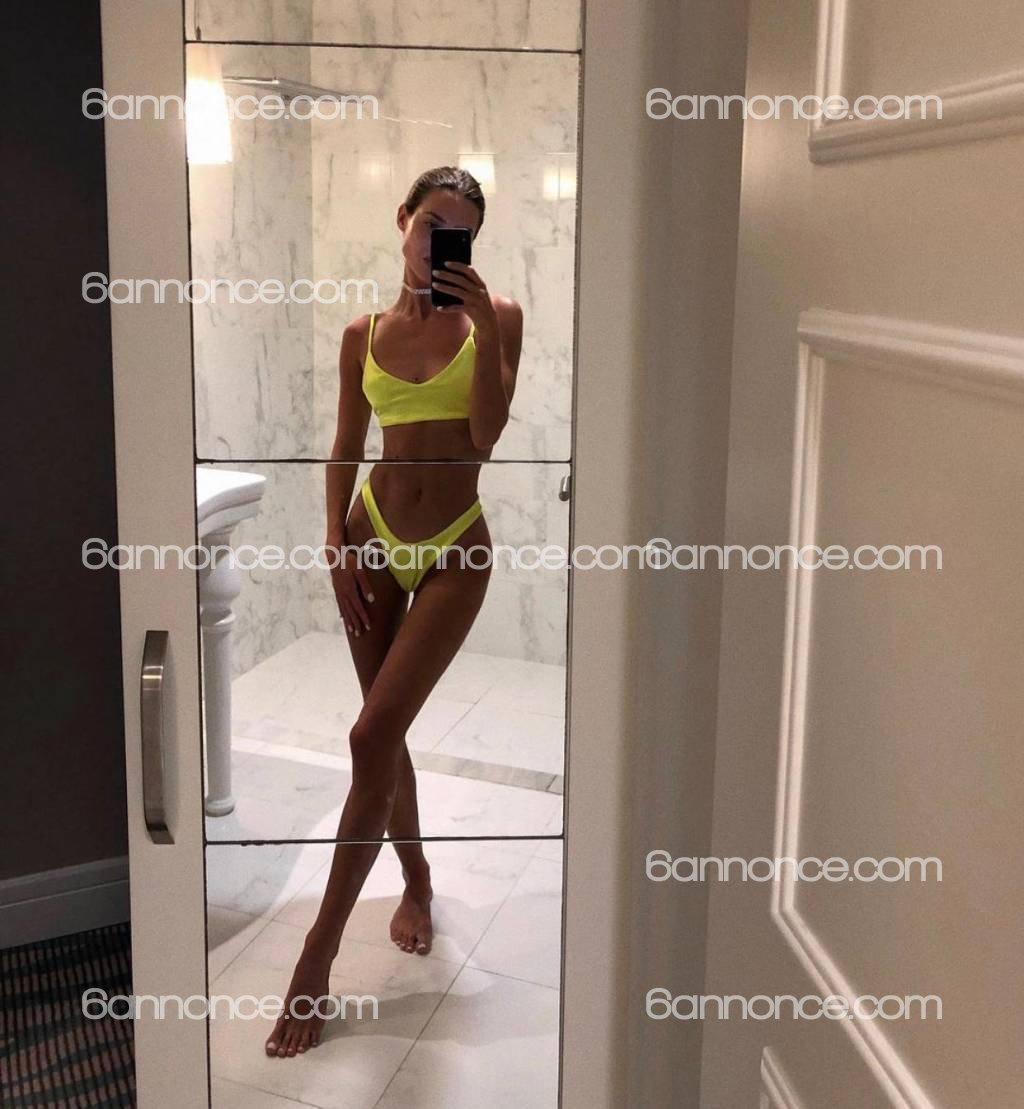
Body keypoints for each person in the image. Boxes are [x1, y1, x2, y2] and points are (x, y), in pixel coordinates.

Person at [265, 166, 524, 1057]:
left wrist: (483, 324)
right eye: (432, 226)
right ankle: (415, 877)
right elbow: (345, 444)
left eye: (463, 234)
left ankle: (317, 954)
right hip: (372, 534)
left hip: (455, 547)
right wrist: (334, 542)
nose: (441, 244)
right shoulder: (362, 335)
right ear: (403, 220)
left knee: (371, 734)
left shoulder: (497, 317)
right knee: (387, 732)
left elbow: (486, 436)